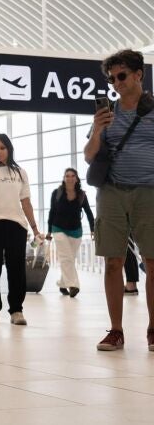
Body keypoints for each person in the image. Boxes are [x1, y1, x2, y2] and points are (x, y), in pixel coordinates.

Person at [83, 49, 154, 351]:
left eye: (121, 75)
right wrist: (98, 129)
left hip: (149, 192)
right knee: (113, 261)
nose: (116, 82)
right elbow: (89, 156)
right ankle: (116, 330)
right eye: (111, 79)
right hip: (111, 191)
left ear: (139, 75)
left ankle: (153, 329)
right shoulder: (108, 113)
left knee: (152, 261)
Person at [0, 134, 41, 326]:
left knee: (16, 269)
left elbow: (26, 202)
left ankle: (16, 310)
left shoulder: (20, 173)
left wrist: (35, 228)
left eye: (2, 148)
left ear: (9, 149)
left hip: (16, 224)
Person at [45, 168, 94, 298]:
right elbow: (52, 212)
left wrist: (93, 229)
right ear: (64, 178)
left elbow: (88, 212)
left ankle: (62, 284)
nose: (70, 178)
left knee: (69, 259)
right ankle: (74, 285)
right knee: (66, 258)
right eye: (67, 176)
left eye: (73, 176)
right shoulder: (57, 193)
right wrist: (49, 230)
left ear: (76, 179)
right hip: (58, 229)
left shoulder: (81, 195)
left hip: (76, 231)